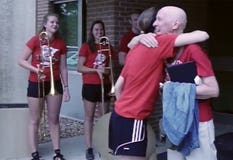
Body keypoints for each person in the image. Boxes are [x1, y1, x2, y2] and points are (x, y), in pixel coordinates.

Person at [108, 7, 209, 160]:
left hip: (118, 116)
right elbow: (203, 35)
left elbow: (119, 86)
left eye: (159, 20)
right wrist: (134, 109)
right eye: (156, 20)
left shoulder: (134, 49)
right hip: (133, 118)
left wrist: (126, 107)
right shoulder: (158, 42)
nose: (157, 24)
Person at [136, 6, 220, 160]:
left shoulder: (193, 50)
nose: (154, 23)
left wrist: (171, 88)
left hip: (198, 122)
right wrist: (139, 37)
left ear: (175, 24)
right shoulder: (160, 50)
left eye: (159, 19)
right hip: (173, 121)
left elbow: (213, 90)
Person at [18, 13, 70, 160]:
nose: (55, 24)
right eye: (52, 22)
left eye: (57, 23)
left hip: (55, 84)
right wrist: (36, 70)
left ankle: (57, 152)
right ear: (45, 24)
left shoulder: (61, 43)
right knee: (35, 120)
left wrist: (66, 88)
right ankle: (34, 153)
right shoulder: (36, 40)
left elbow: (63, 68)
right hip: (36, 83)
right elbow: (21, 60)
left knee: (54, 119)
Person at [77, 20, 115, 160]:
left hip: (104, 85)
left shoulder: (108, 46)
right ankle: (89, 148)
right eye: (96, 30)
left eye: (101, 30)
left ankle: (103, 145)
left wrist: (111, 83)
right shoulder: (86, 47)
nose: (99, 32)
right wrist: (95, 70)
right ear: (92, 32)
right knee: (89, 117)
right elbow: (79, 68)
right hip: (90, 85)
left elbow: (110, 69)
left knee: (104, 117)